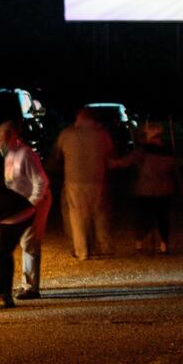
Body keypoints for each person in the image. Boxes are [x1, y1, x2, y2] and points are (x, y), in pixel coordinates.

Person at [50, 107, 133, 260]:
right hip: (98, 180)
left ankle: (82, 251)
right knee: (100, 214)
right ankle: (105, 247)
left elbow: (56, 155)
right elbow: (111, 159)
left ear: (79, 118)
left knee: (77, 217)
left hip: (74, 181)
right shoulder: (103, 135)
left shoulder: (67, 134)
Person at [0, 120, 50, 302]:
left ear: (12, 137)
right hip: (19, 205)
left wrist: (33, 202)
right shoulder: (9, 155)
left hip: (35, 202)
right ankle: (23, 284)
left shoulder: (26, 154)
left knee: (29, 242)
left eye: (1, 141)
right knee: (19, 242)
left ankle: (31, 287)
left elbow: (41, 180)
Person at [128, 122, 183, 254]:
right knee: (162, 218)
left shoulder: (142, 152)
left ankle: (140, 243)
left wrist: (109, 162)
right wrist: (182, 187)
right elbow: (176, 172)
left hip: (146, 191)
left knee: (145, 218)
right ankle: (163, 244)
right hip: (163, 190)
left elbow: (126, 162)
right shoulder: (167, 152)